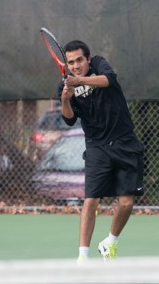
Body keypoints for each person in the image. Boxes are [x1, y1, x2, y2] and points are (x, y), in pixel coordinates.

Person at [58, 40, 144, 262]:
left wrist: (80, 81)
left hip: (125, 142)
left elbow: (108, 80)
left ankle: (110, 242)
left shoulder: (99, 65)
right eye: (71, 63)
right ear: (67, 64)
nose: (76, 65)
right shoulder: (65, 85)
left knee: (126, 203)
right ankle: (82, 257)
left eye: (79, 60)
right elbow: (69, 119)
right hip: (97, 146)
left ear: (87, 58)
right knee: (91, 200)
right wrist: (65, 100)